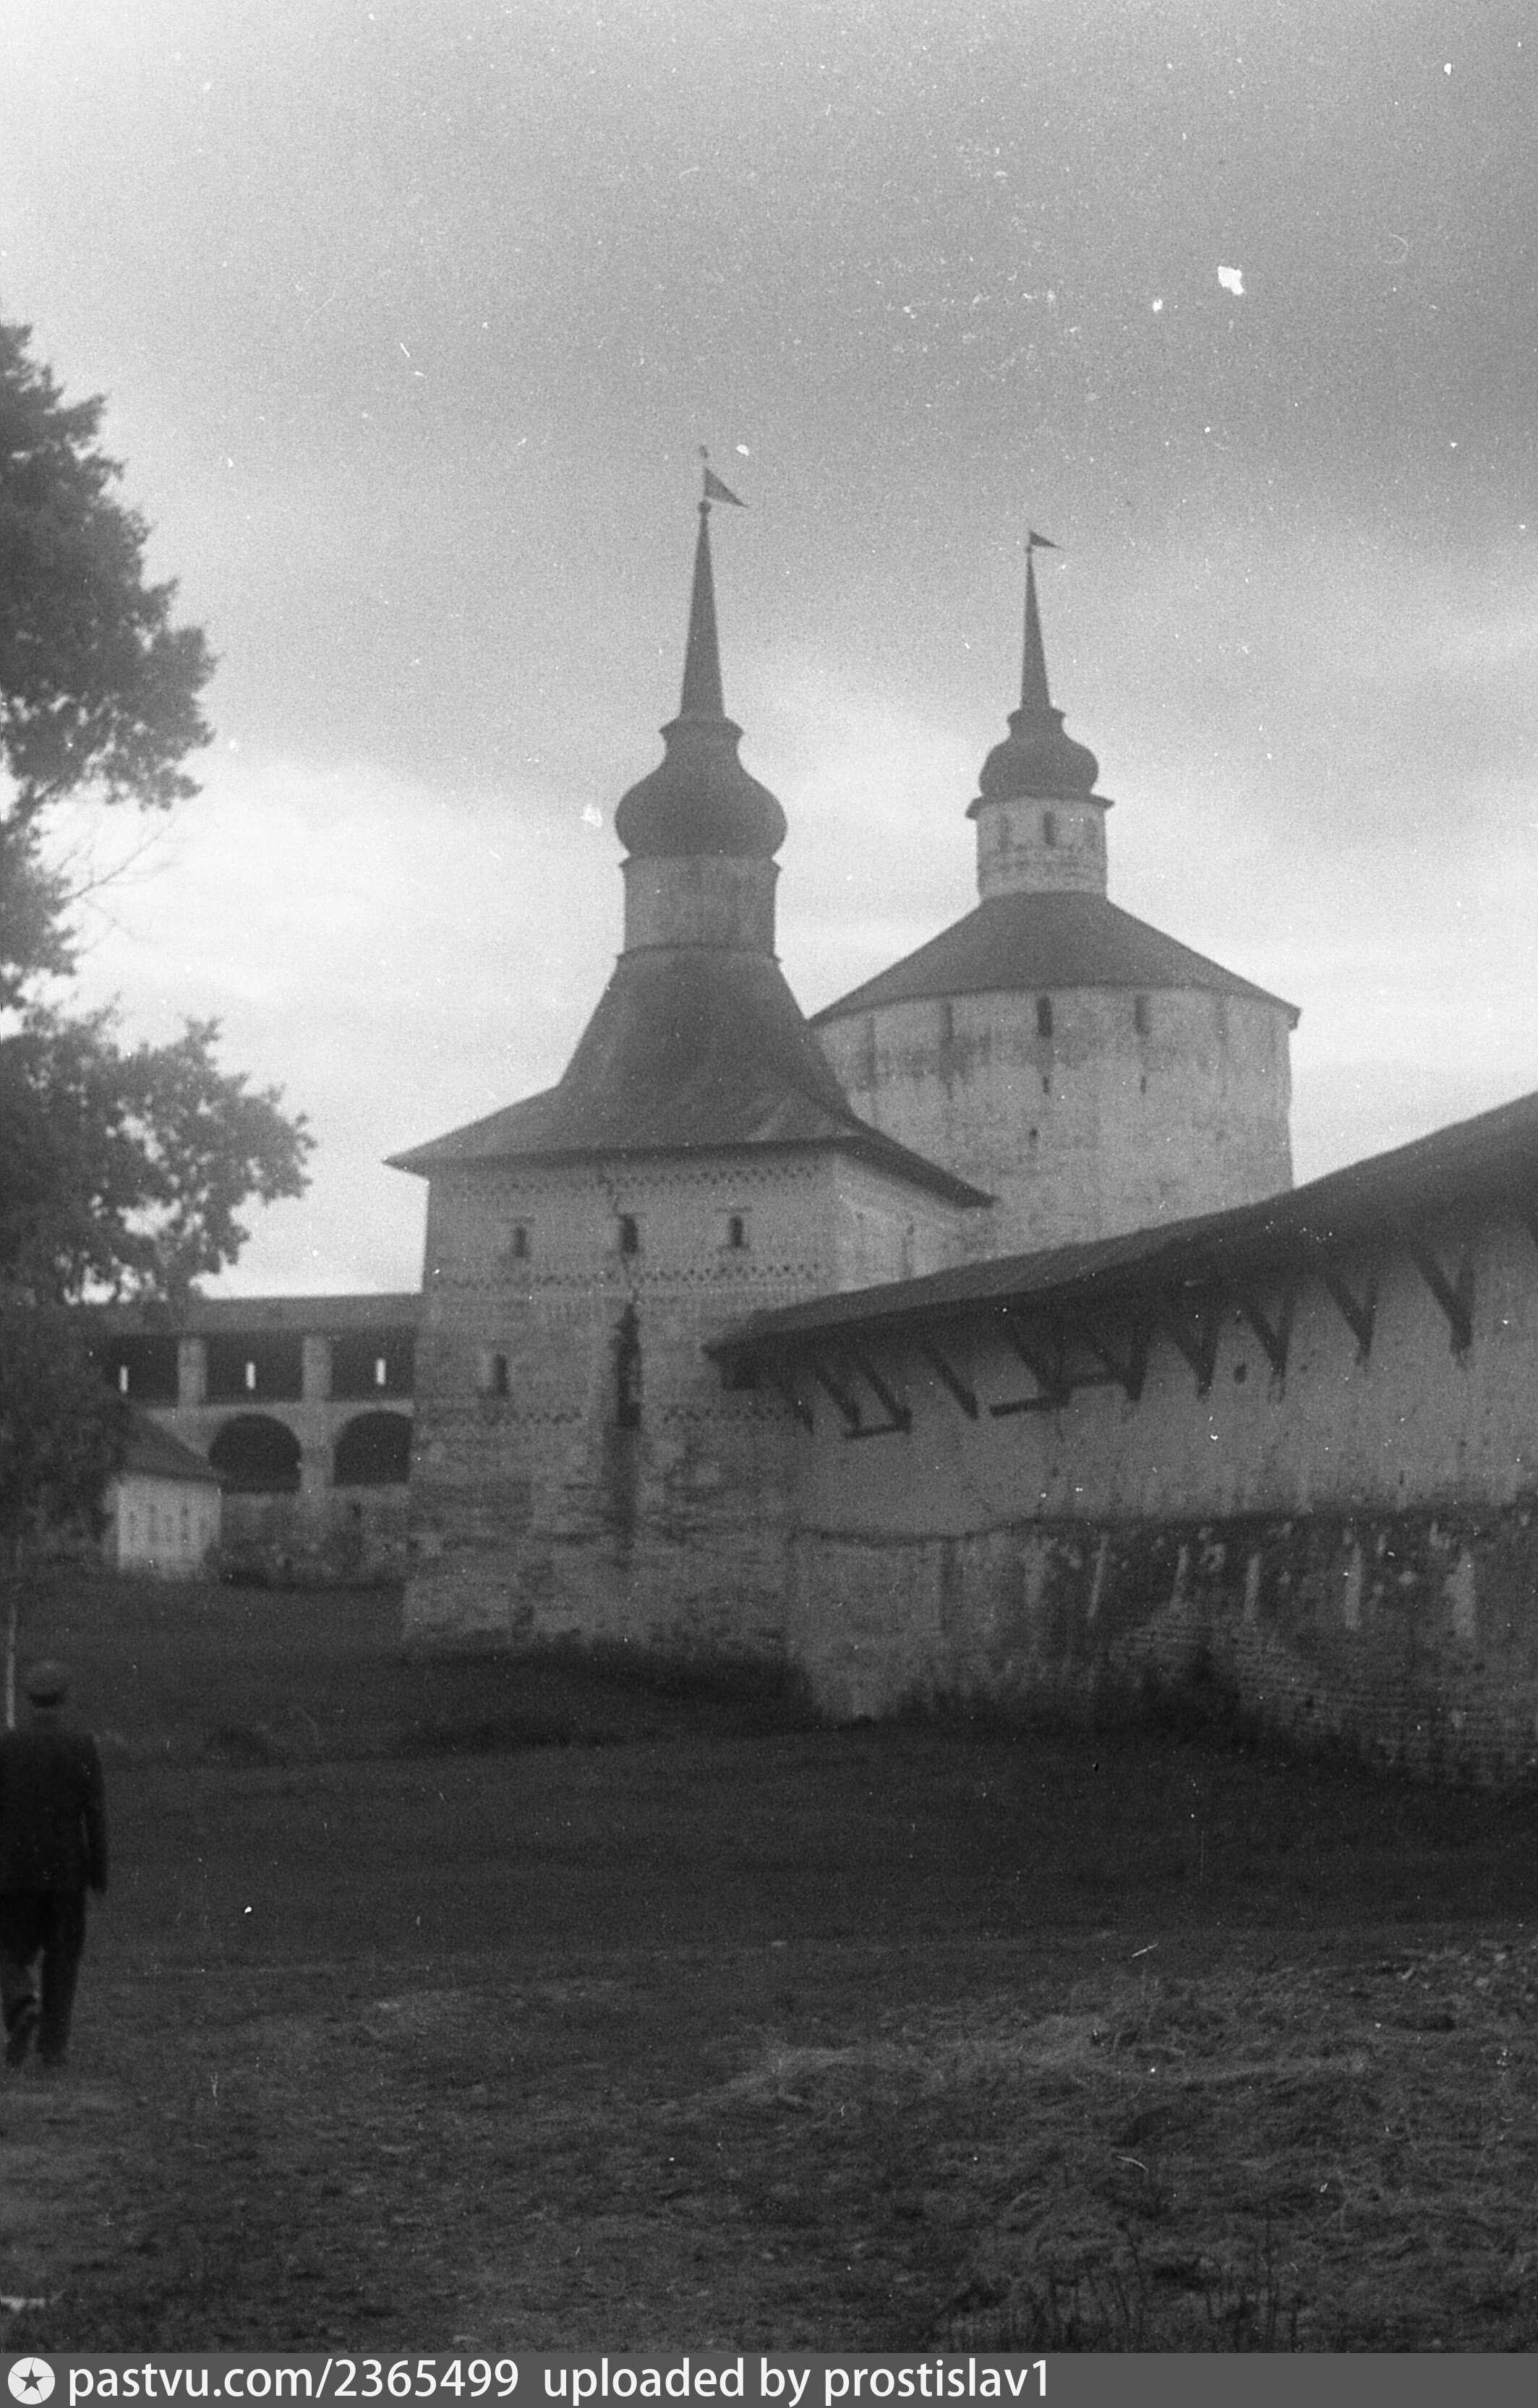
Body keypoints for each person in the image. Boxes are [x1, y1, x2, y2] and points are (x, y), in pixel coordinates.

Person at [0, 1661, 109, 2073]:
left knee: (7, 1949)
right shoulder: (82, 1746)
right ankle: (53, 2048)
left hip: (14, 1873)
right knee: (63, 1957)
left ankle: (21, 2002)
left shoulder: (6, 1745)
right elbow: (94, 1812)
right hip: (66, 1873)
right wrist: (98, 1869)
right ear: (63, 1698)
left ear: (30, 1699)